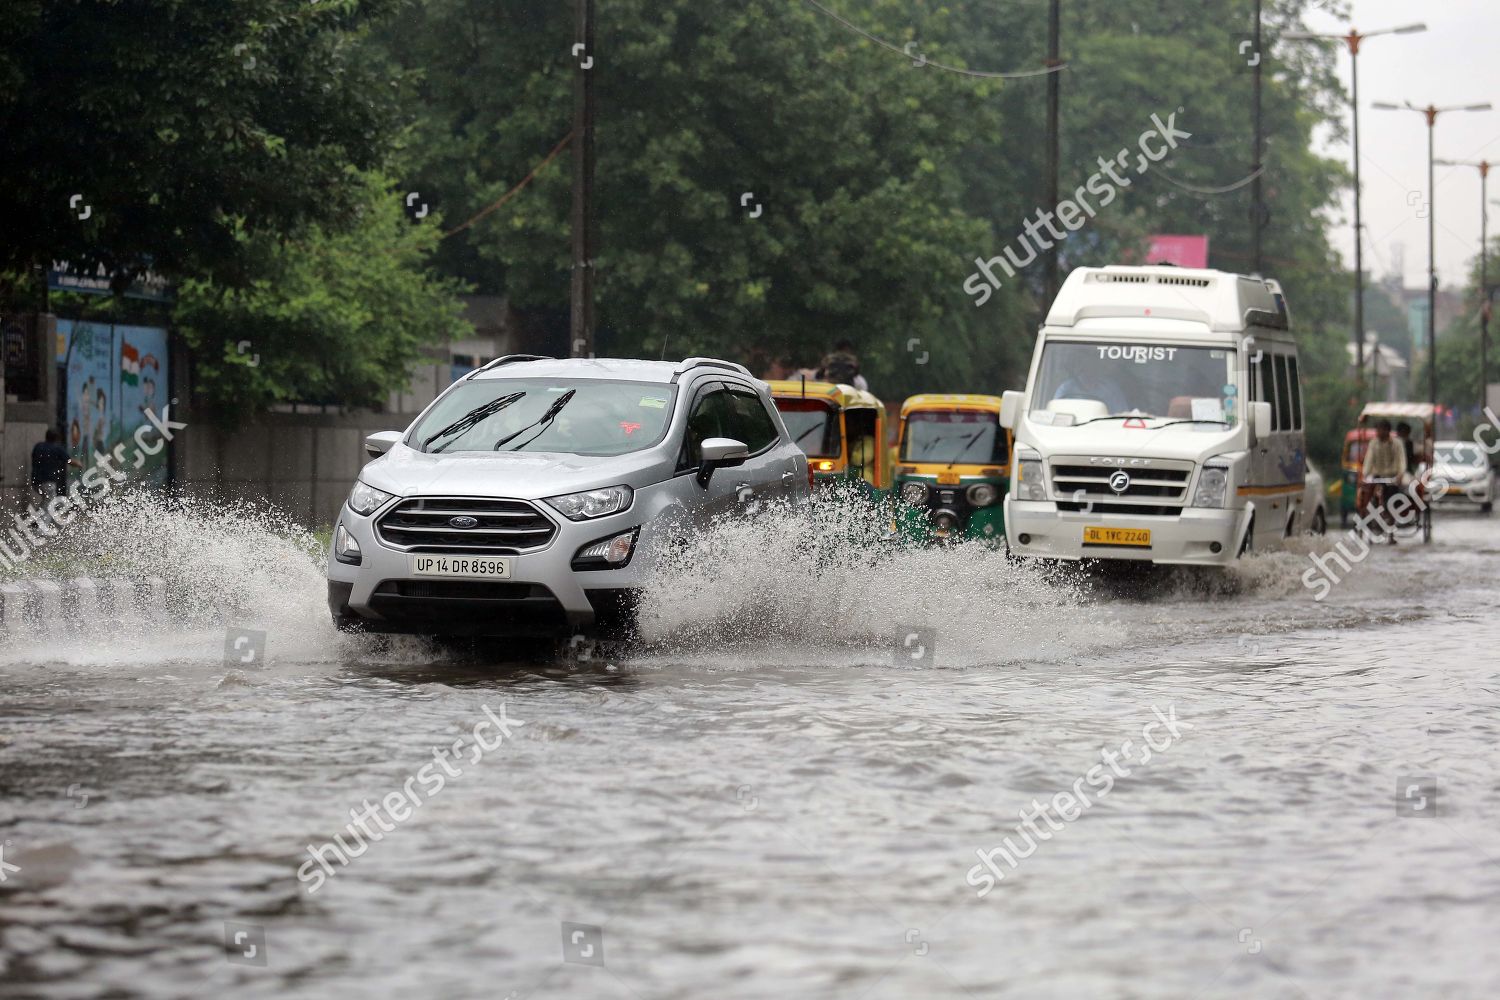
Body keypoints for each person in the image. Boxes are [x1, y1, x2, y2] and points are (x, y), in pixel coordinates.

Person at [1361, 419, 1405, 544]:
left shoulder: (1397, 443)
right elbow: (1368, 461)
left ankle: (1390, 534)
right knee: (1371, 501)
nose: (1378, 432)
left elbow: (1401, 460)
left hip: (1392, 476)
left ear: (1387, 431)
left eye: (1380, 429)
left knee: (1391, 503)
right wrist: (1365, 475)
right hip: (1377, 476)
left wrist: (1400, 474)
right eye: (1377, 430)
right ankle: (1372, 527)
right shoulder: (1373, 444)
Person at [30, 428, 80, 503]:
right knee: (50, 504)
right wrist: (78, 463)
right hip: (48, 482)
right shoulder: (57, 448)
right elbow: (69, 461)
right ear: (57, 438)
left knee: (46, 501)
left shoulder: (38, 446)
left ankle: (38, 513)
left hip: (35, 482)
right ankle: (42, 514)